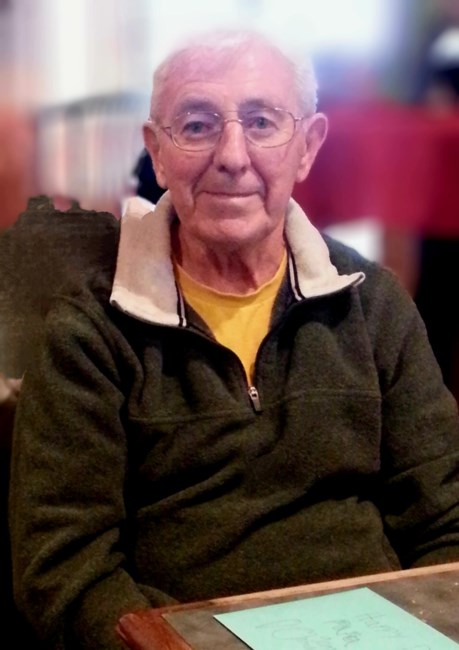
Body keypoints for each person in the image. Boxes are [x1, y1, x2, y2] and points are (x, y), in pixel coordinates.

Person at [9, 29, 459, 650]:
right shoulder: (88, 336)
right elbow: (65, 571)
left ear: (307, 147)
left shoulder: (373, 304)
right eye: (197, 126)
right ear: (156, 152)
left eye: (261, 122)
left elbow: (446, 520)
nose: (232, 155)